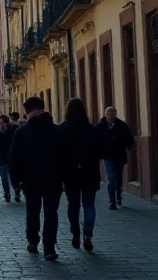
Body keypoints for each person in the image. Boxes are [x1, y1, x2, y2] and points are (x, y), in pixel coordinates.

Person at [9, 96, 65, 261]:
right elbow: (65, 157)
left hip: (30, 180)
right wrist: (64, 179)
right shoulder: (57, 130)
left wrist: (16, 180)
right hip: (53, 180)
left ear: (27, 112)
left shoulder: (21, 132)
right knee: (51, 213)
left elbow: (14, 159)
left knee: (32, 211)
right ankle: (49, 247)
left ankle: (32, 241)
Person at [61, 98, 102, 252]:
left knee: (73, 204)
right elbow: (100, 151)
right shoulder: (92, 129)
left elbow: (60, 153)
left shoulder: (62, 129)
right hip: (90, 172)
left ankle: (75, 233)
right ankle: (88, 234)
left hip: (70, 174)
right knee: (89, 204)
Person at [96, 107, 134, 210]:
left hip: (119, 155)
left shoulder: (122, 125)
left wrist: (128, 146)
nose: (110, 116)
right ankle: (112, 200)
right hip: (107, 156)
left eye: (112, 114)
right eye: (108, 114)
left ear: (115, 115)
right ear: (105, 115)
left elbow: (129, 138)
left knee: (119, 177)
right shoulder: (100, 126)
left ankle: (119, 196)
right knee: (112, 177)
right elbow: (95, 140)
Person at [0, 115, 20, 202]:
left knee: (14, 176)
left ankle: (17, 191)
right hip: (2, 158)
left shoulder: (14, 130)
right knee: (4, 177)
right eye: (0, 123)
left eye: (3, 123)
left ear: (7, 123)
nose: (1, 125)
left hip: (13, 157)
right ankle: (7, 193)